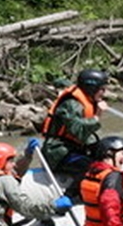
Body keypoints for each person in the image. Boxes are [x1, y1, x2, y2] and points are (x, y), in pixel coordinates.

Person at [39, 68, 109, 196]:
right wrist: (97, 116)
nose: (104, 92)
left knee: (106, 150)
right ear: (91, 88)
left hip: (73, 148)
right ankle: (70, 197)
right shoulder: (71, 105)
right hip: (57, 152)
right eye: (102, 89)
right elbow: (78, 131)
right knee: (90, 167)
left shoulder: (85, 100)